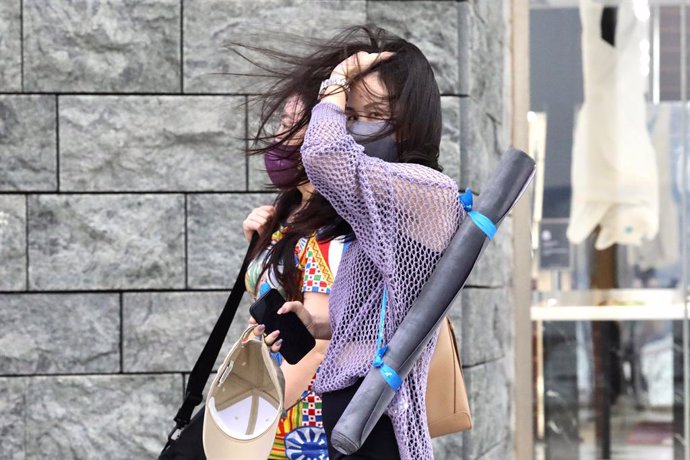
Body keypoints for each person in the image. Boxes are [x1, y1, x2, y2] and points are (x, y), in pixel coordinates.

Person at [252, 26, 464, 460]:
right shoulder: (371, 207)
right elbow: (389, 311)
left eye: (374, 113)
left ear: (410, 126)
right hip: (345, 407)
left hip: (379, 413)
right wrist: (324, 327)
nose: (353, 126)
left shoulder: (431, 191)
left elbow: (325, 156)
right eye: (350, 112)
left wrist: (337, 80)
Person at [243, 94, 352, 459]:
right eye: (281, 123)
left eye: (293, 124)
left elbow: (314, 347)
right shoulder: (289, 217)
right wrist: (259, 250)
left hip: (297, 420)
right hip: (279, 402)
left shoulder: (325, 232)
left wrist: (258, 421)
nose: (279, 135)